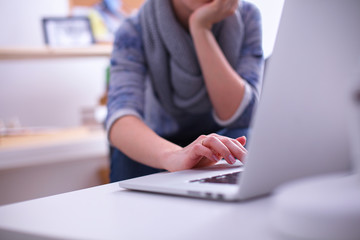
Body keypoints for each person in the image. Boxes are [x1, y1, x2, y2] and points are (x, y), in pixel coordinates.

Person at [106, 0, 264, 182]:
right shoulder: (135, 27)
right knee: (127, 156)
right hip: (157, 143)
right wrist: (175, 155)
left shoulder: (247, 16)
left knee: (243, 136)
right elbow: (120, 118)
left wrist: (201, 28)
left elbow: (241, 115)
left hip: (221, 138)